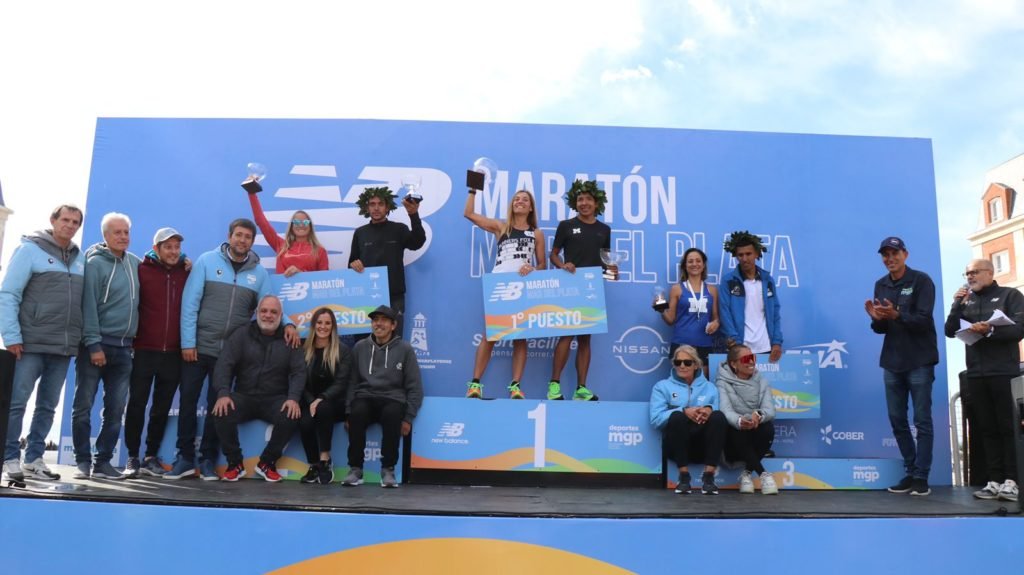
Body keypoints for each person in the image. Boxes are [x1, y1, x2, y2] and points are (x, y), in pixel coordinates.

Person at [169, 218, 299, 481]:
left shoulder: (259, 273)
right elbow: (190, 303)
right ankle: (184, 458)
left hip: (229, 355)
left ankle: (207, 460)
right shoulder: (207, 261)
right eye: (238, 235)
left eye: (248, 237)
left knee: (218, 405)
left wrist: (289, 325)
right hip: (198, 348)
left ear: (252, 242)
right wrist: (188, 342)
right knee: (188, 402)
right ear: (230, 236)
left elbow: (269, 305)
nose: (242, 240)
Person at [1, 205, 85, 482]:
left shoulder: (79, 259)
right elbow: (9, 294)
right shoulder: (29, 250)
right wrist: (11, 335)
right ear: (53, 221)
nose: (70, 225)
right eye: (65, 220)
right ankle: (9, 456)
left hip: (62, 347)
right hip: (29, 344)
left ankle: (34, 458)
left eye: (75, 222)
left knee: (47, 406)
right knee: (17, 404)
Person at [944, 258, 1024, 502]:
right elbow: (949, 330)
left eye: (975, 272)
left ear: (990, 273)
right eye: (967, 273)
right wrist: (956, 304)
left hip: (1003, 372)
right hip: (976, 374)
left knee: (1007, 427)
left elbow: (1019, 329)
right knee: (987, 429)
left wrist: (988, 330)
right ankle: (994, 480)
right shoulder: (966, 300)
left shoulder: (1010, 295)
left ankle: (1012, 480)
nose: (970, 276)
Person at [865, 236, 939, 497]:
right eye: (885, 255)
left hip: (919, 360)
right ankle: (910, 470)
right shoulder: (880, 284)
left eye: (894, 253)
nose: (890, 259)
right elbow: (882, 328)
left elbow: (923, 320)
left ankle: (921, 477)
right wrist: (877, 319)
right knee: (897, 420)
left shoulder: (922, 280)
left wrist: (897, 314)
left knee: (922, 420)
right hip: (892, 361)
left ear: (905, 254)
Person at [71, 212, 141, 480]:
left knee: (115, 410)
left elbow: (161, 261)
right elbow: (87, 306)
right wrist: (93, 344)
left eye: (126, 232)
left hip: (124, 350)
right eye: (117, 232)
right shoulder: (94, 263)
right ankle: (81, 462)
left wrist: (184, 262)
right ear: (105, 236)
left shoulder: (134, 263)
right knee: (83, 406)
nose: (123, 237)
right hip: (95, 347)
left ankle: (102, 463)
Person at [211, 295, 305, 482]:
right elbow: (224, 365)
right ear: (256, 313)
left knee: (292, 414)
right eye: (264, 311)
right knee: (221, 411)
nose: (268, 315)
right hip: (244, 396)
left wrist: (293, 397)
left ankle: (267, 463)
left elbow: (299, 372)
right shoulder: (241, 334)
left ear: (281, 315)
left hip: (274, 398)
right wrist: (223, 393)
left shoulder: (290, 338)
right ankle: (235, 464)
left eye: (273, 312)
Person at [463, 189, 546, 399]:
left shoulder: (536, 233)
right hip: (500, 287)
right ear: (512, 205)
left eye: (525, 199)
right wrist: (473, 189)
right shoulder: (502, 227)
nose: (520, 201)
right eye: (516, 199)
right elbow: (469, 214)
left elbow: (543, 264)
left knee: (520, 338)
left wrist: (533, 269)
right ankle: (474, 385)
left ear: (531, 207)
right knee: (491, 336)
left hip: (523, 288)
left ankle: (515, 386)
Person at [122, 227, 189, 478]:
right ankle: (131, 457)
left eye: (177, 247)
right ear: (157, 248)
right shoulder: (141, 270)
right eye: (168, 247)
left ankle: (150, 456)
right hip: (143, 350)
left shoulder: (186, 271)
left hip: (173, 353)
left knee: (161, 408)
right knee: (137, 404)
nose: (173, 252)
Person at [342, 305, 423, 488]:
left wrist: (408, 418)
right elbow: (352, 383)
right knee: (358, 411)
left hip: (393, 398)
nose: (378, 324)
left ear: (393, 325)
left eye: (383, 320)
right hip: (366, 396)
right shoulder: (360, 347)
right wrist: (348, 413)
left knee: (393, 413)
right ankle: (356, 469)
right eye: (375, 320)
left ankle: (388, 469)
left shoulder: (405, 349)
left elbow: (415, 387)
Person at [547, 179, 612, 401]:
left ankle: (581, 389)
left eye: (588, 199)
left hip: (592, 288)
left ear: (596, 203)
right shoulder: (566, 225)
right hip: (570, 286)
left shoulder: (605, 230)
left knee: (585, 339)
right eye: (580, 199)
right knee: (566, 335)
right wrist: (562, 265)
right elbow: (553, 254)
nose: (584, 203)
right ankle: (554, 386)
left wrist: (612, 270)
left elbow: (605, 260)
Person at [649, 344, 727, 495]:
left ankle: (709, 477)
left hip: (704, 445)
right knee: (677, 417)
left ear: (696, 365)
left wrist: (708, 410)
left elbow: (718, 420)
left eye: (687, 362)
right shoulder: (661, 387)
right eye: (678, 362)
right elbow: (656, 420)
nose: (682, 366)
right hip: (676, 446)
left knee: (718, 416)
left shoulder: (710, 387)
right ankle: (683, 477)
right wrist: (684, 411)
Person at [348, 187, 426, 336]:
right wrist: (354, 265)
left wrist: (413, 214)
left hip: (394, 297)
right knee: (365, 344)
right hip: (366, 298)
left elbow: (418, 242)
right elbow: (351, 263)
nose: (376, 208)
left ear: (387, 207)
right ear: (367, 207)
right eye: (372, 204)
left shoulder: (399, 229)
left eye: (381, 204)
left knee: (395, 344)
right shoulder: (360, 233)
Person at [298, 307, 352, 485]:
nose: (323, 326)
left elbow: (342, 382)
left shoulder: (342, 351)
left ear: (333, 326)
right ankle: (313, 464)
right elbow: (300, 381)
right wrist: (310, 401)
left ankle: (325, 459)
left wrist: (321, 398)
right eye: (319, 322)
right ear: (313, 325)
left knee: (324, 408)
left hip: (335, 403)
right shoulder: (304, 349)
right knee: (304, 422)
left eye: (327, 323)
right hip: (311, 401)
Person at [715, 345, 778, 495]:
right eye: (746, 359)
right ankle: (763, 474)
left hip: (754, 432)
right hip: (733, 440)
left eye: (753, 358)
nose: (751, 362)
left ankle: (747, 474)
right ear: (733, 364)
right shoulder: (721, 382)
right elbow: (726, 410)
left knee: (767, 428)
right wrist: (740, 421)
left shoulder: (761, 380)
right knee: (736, 429)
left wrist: (759, 415)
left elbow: (770, 410)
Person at [719, 231, 783, 363]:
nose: (744, 258)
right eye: (740, 255)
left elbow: (775, 313)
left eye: (748, 254)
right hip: (740, 346)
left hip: (766, 346)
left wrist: (776, 342)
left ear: (757, 254)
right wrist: (735, 342)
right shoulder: (728, 281)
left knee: (764, 384)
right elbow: (724, 313)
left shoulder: (768, 281)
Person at [658, 247, 720, 372]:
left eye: (698, 261)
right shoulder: (677, 289)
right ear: (685, 266)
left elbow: (715, 317)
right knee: (681, 383)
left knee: (702, 384)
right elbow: (670, 320)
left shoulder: (712, 290)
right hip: (682, 344)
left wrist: (716, 323)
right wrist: (660, 309)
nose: (694, 264)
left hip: (705, 344)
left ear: (703, 265)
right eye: (690, 261)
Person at [246, 188, 328, 276]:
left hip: (307, 290)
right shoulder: (281, 245)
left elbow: (324, 281)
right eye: (296, 222)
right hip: (281, 289)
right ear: (291, 227)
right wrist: (252, 193)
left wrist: (301, 275)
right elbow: (261, 222)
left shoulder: (319, 251)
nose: (301, 225)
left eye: (305, 222)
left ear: (310, 226)